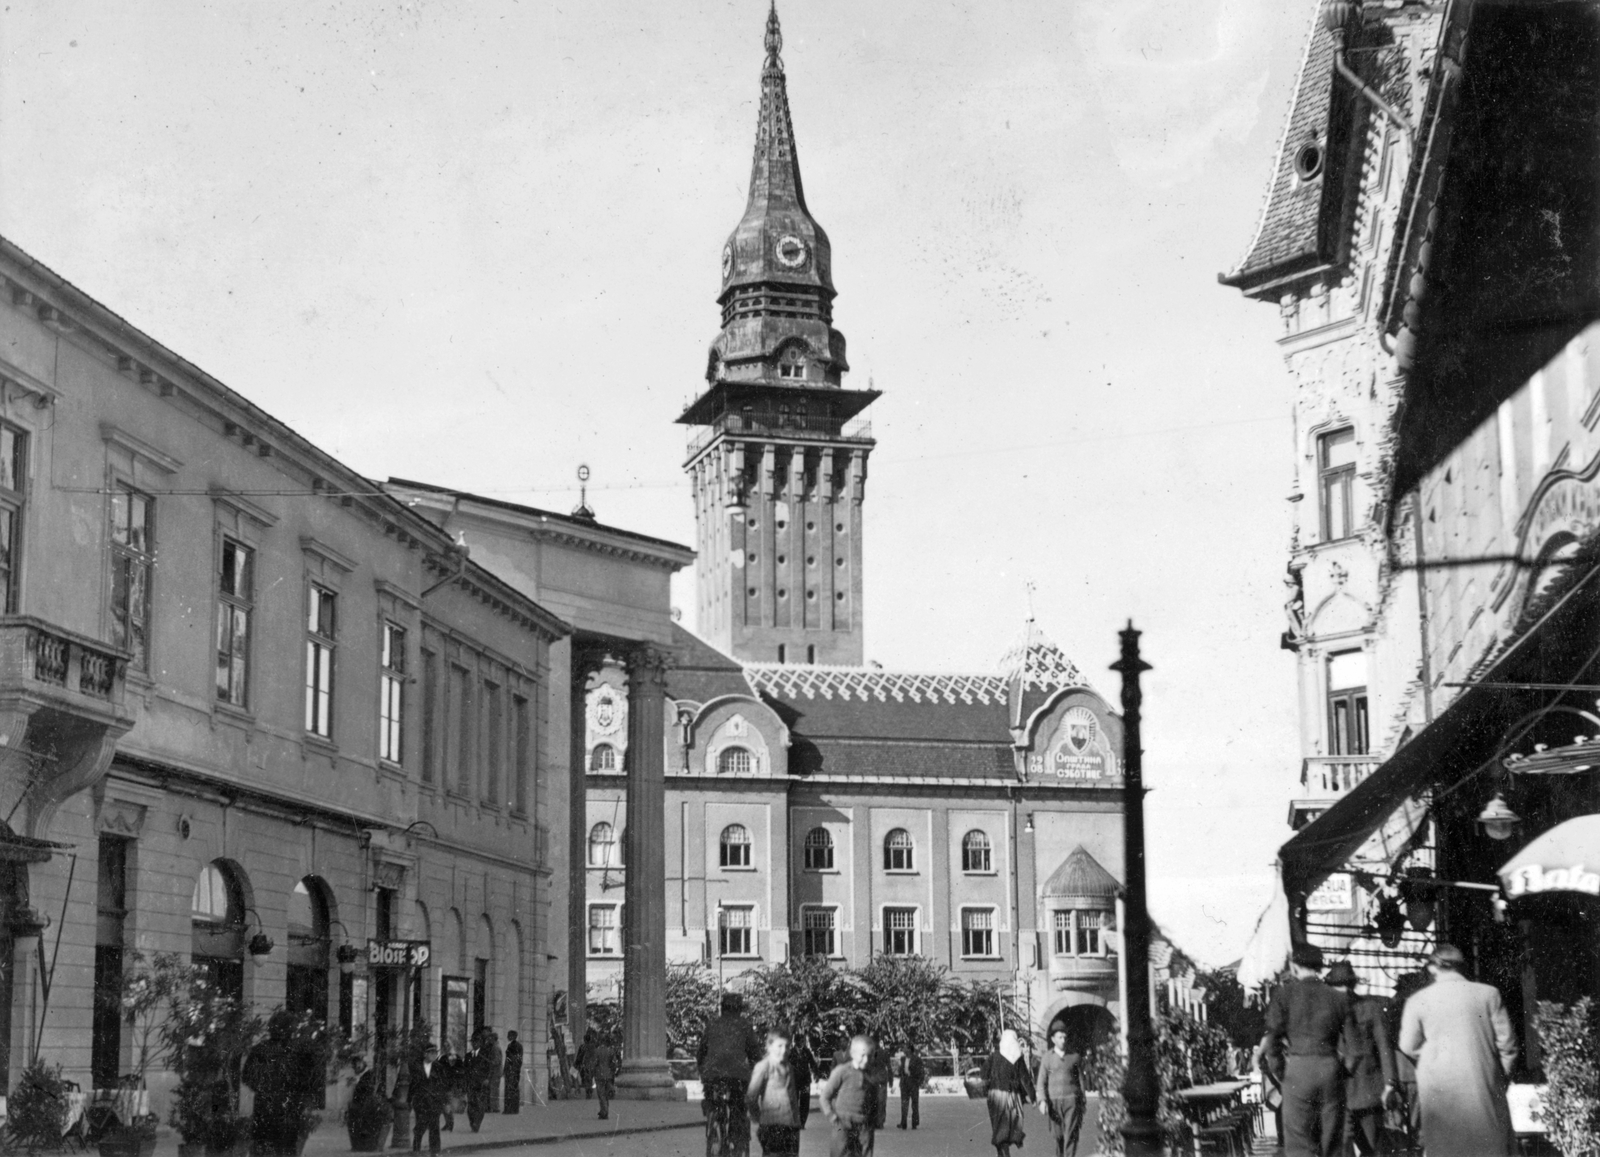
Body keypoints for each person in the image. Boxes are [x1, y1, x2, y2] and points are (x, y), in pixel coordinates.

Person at [1398, 944, 1518, 1157]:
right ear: (1461, 968)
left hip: (1439, 1088)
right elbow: (1508, 1045)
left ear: (1433, 968)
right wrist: (1499, 1078)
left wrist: (1435, 1058)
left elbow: (1407, 1045)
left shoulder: (1417, 1001)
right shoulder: (1489, 994)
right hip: (1483, 1083)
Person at [1263, 943, 1353, 1157]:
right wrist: (1339, 1071)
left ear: (1294, 966)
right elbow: (1353, 1045)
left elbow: (1272, 1040)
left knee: (1299, 1141)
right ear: (1320, 966)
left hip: (1298, 1069)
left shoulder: (1284, 995)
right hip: (1330, 1068)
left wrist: (1281, 1071)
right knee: (1332, 1141)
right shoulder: (1338, 998)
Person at [1325, 961, 1397, 1155]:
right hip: (1340, 1090)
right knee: (1343, 1147)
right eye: (1340, 986)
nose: (1344, 991)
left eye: (1347, 985)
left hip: (1368, 1088)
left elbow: (1384, 1046)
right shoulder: (1326, 1011)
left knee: (1373, 1147)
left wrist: (1390, 1084)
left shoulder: (1370, 1007)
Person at [242, 1010, 318, 1157]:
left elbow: (247, 1077)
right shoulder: (299, 1051)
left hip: (265, 1107)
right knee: (285, 1147)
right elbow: (309, 1078)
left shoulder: (260, 1049)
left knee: (263, 1146)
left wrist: (262, 1088)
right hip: (288, 1108)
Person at [698, 993, 763, 1152]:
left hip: (711, 1076)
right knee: (738, 1105)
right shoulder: (745, 1025)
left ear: (722, 1008)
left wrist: (702, 1073)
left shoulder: (712, 1024)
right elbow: (755, 1054)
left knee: (712, 1097)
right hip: (737, 1076)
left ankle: (712, 1117)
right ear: (740, 1009)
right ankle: (735, 1139)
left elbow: (701, 1052)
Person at [747, 1027, 807, 1156]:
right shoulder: (764, 1066)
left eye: (787, 1046)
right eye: (779, 1046)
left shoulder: (789, 1067)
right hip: (772, 1125)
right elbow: (751, 1097)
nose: (784, 1050)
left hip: (791, 1125)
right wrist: (759, 1120)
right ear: (769, 1046)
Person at [982, 1030, 1036, 1157]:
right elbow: (1025, 1079)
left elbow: (983, 1073)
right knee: (1007, 1128)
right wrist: (1032, 1097)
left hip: (994, 1097)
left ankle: (1002, 1154)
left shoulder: (994, 1056)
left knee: (998, 1127)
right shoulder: (1017, 1058)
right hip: (1011, 1097)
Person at [820, 1036, 875, 1157]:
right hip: (842, 1123)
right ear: (853, 1053)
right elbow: (825, 1097)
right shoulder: (842, 1071)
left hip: (863, 1125)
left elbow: (873, 1100)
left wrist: (872, 1122)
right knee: (840, 1153)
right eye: (862, 1055)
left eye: (870, 1056)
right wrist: (832, 1116)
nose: (866, 1060)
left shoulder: (871, 1075)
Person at [1036, 1024, 1085, 1157]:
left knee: (1071, 1134)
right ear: (1053, 1039)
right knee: (1058, 1136)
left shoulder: (1074, 1056)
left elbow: (1080, 1080)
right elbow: (1041, 1080)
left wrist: (1082, 1101)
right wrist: (1042, 1100)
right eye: (1060, 1037)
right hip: (1054, 1102)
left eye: (1065, 1037)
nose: (1063, 1040)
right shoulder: (1047, 1057)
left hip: (1072, 1100)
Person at [408, 1042, 447, 1154]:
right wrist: (408, 1100)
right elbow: (412, 1084)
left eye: (435, 1053)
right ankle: (416, 1149)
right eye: (431, 1052)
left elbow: (442, 1086)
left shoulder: (438, 1067)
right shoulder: (416, 1067)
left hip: (434, 1102)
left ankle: (435, 1152)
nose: (434, 1055)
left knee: (434, 1127)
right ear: (425, 1054)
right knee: (420, 1126)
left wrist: (444, 1102)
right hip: (421, 1102)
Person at [465, 1029, 492, 1131]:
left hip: (481, 1083)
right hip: (471, 1083)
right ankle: (473, 1122)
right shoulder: (468, 1056)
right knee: (471, 1105)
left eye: (477, 1042)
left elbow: (489, 1068)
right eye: (473, 1042)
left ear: (480, 1043)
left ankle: (477, 1124)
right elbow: (465, 1070)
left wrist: (487, 1079)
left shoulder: (485, 1055)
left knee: (480, 1105)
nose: (474, 1044)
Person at [863, 1037, 893, 1130]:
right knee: (877, 1102)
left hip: (879, 1081)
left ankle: (879, 1122)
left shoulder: (883, 1053)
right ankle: (877, 1121)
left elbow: (888, 1066)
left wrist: (890, 1080)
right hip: (874, 1080)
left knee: (879, 1102)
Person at [897, 1041, 926, 1130]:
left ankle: (914, 1123)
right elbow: (900, 1071)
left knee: (915, 1104)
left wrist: (918, 1082)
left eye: (905, 1047)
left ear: (909, 1049)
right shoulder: (902, 1059)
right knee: (904, 1103)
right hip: (904, 1083)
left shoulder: (917, 1059)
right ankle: (903, 1123)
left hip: (913, 1083)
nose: (904, 1049)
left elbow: (921, 1072)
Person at [590, 1034, 618, 1120]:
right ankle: (605, 1111)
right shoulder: (610, 1051)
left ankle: (604, 1112)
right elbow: (614, 1063)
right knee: (606, 1094)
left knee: (601, 1094)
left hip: (599, 1075)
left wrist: (592, 1071)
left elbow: (594, 1063)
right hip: (608, 1075)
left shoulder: (597, 1051)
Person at [502, 1030, 523, 1114]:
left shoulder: (515, 1046)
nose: (508, 1037)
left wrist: (511, 1069)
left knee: (511, 1090)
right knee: (511, 1090)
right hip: (512, 1070)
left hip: (513, 1071)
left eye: (509, 1035)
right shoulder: (512, 1045)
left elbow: (515, 1059)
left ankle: (511, 1109)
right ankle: (511, 1109)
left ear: (513, 1036)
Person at [575, 1029, 597, 1100]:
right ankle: (589, 1090)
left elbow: (579, 1057)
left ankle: (588, 1091)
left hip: (584, 1066)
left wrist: (576, 1064)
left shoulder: (582, 1047)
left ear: (584, 1040)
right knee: (590, 1078)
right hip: (592, 1065)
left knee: (585, 1079)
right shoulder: (594, 1047)